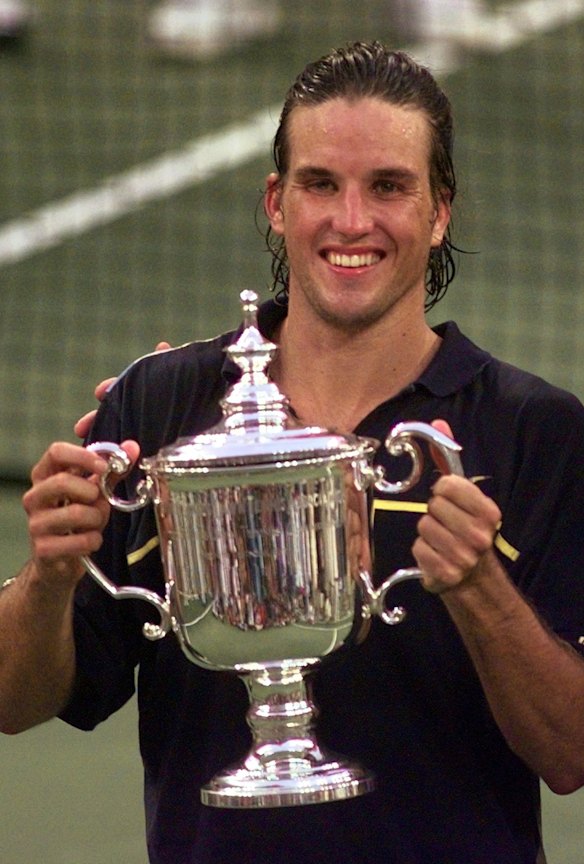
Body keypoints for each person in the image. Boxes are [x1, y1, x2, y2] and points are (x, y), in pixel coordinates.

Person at [2, 41, 584, 864]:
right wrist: (48, 576)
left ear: (439, 210)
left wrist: (482, 589)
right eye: (321, 185)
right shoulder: (157, 407)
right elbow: (14, 698)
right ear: (277, 202)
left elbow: (571, 756)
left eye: (388, 186)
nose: (352, 222)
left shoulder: (537, 432)